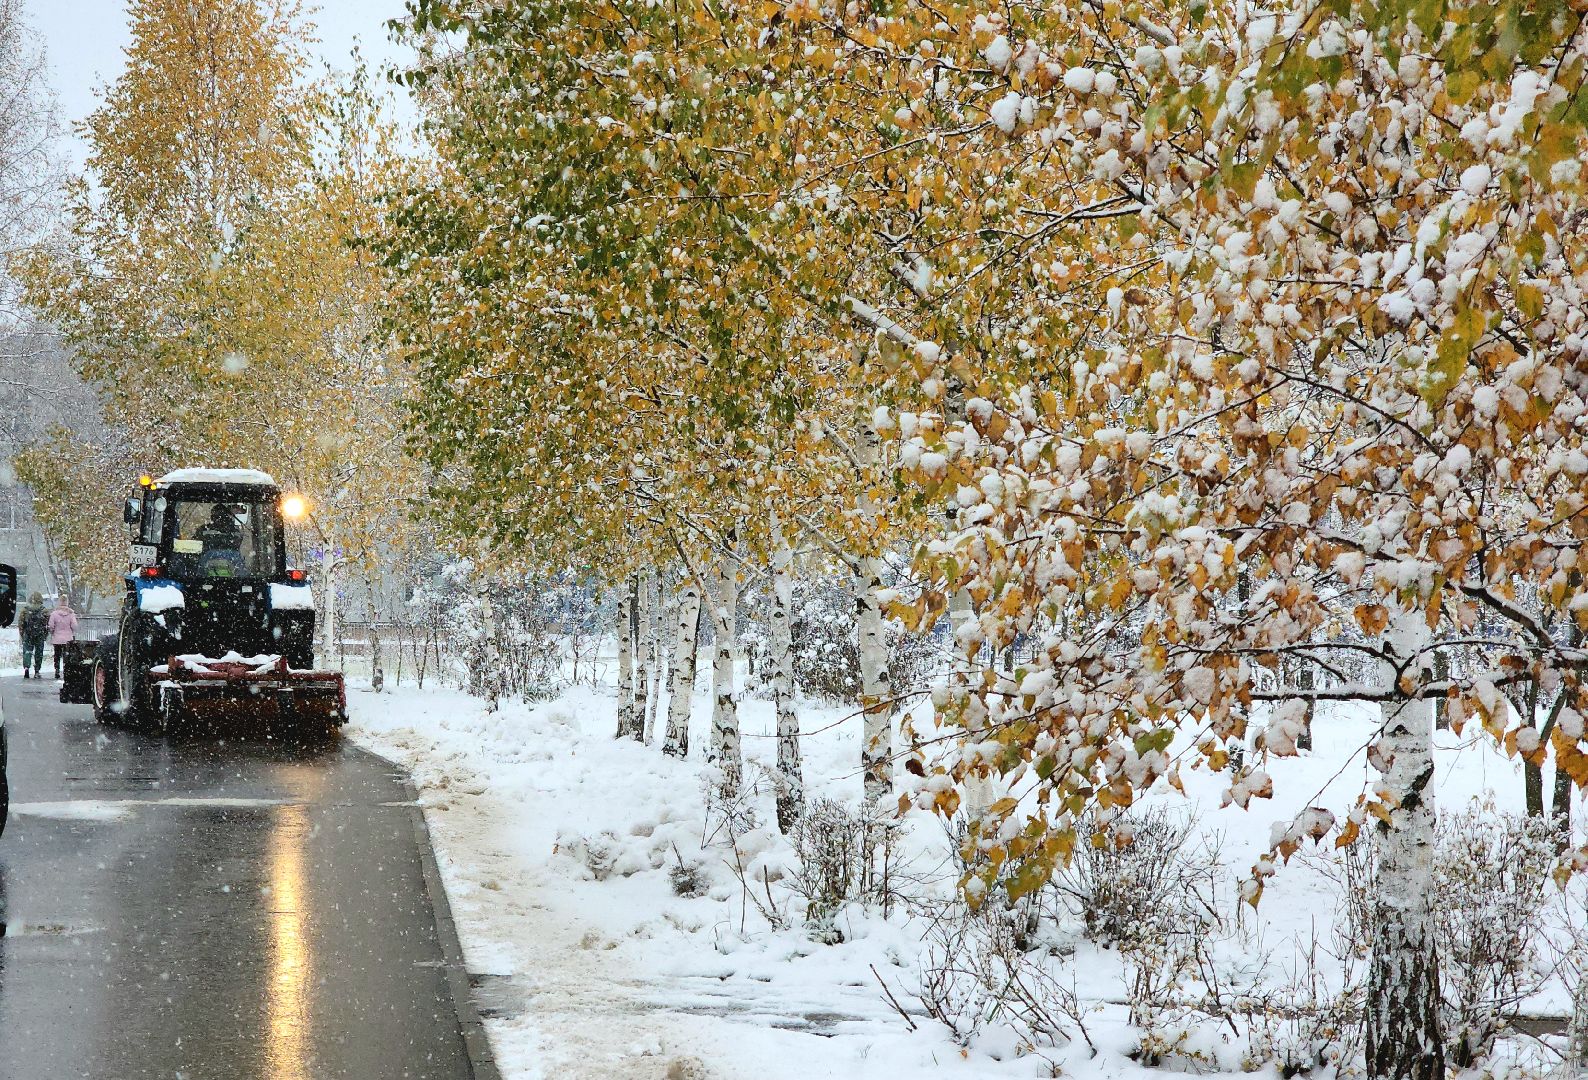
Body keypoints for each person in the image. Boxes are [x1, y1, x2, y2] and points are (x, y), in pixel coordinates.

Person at [48, 596, 79, 681]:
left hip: (57, 638)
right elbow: (74, 626)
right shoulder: (71, 614)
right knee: (67, 656)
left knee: (57, 655)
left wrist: (53, 631)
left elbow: (51, 626)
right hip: (68, 639)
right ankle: (66, 670)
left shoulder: (54, 614)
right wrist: (71, 630)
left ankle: (57, 670)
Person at [18, 592, 47, 680]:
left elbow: (21, 623)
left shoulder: (25, 610)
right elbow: (47, 624)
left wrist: (22, 633)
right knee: (39, 652)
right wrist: (45, 634)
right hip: (39, 634)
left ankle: (26, 668)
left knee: (27, 651)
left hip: (28, 634)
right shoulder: (44, 610)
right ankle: (37, 670)